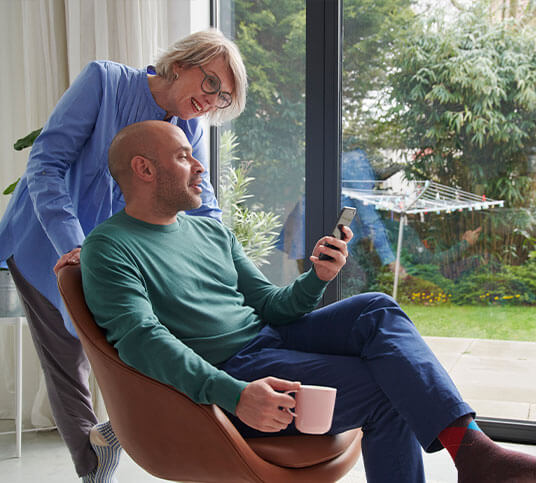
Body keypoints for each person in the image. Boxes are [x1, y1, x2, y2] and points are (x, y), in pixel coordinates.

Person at [80, 121, 536, 483]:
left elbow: (270, 305)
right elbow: (141, 340)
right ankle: (478, 460)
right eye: (183, 156)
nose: (199, 166)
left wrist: (317, 278)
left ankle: (474, 453)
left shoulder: (209, 230)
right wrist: (233, 394)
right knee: (388, 389)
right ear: (144, 169)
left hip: (269, 338)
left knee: (376, 306)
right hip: (231, 371)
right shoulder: (110, 247)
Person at [0, 30, 247, 482]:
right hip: (46, 242)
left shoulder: (185, 122)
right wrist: (71, 244)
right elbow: (45, 163)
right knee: (70, 359)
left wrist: (225, 251)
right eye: (211, 84)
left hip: (113, 253)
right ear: (181, 63)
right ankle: (94, 469)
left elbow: (201, 192)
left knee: (148, 339)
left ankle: (120, 431)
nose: (213, 100)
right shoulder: (104, 82)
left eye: (224, 96)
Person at [277, 149, 408, 278]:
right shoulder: (356, 163)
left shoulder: (347, 159)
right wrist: (391, 261)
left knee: (315, 285)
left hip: (305, 233)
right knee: (352, 282)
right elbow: (369, 217)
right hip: (315, 236)